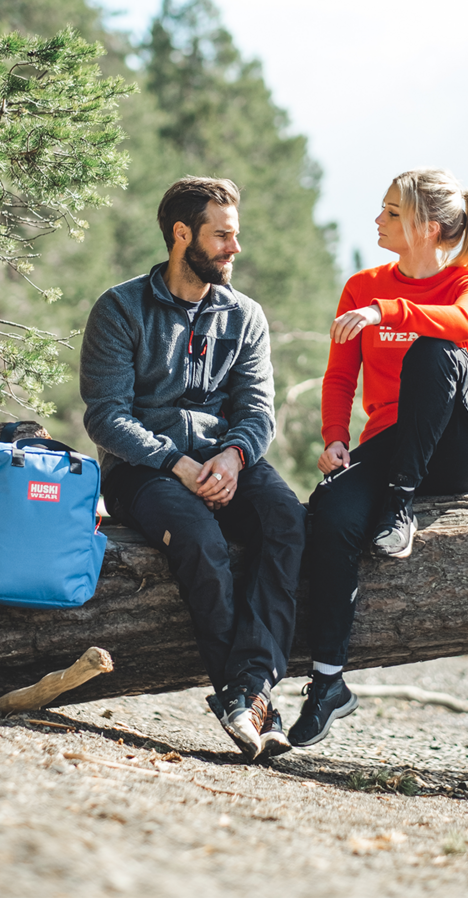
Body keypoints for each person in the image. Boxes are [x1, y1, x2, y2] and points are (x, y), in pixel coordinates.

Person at [80, 176, 307, 759]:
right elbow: (106, 418)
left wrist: (232, 458)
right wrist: (177, 464)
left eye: (236, 236)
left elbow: (258, 412)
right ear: (183, 235)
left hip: (225, 458)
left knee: (285, 517)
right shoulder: (120, 308)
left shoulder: (245, 316)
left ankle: (249, 687)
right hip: (142, 470)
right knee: (202, 540)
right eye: (223, 236)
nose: (235, 249)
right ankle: (251, 699)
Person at [288, 167, 468, 748]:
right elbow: (339, 376)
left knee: (434, 354)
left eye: (391, 213)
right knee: (330, 510)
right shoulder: (361, 285)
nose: (378, 221)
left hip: (458, 447)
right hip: (389, 439)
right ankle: (328, 682)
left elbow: (465, 325)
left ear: (428, 228)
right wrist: (335, 437)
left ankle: (399, 506)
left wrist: (391, 313)